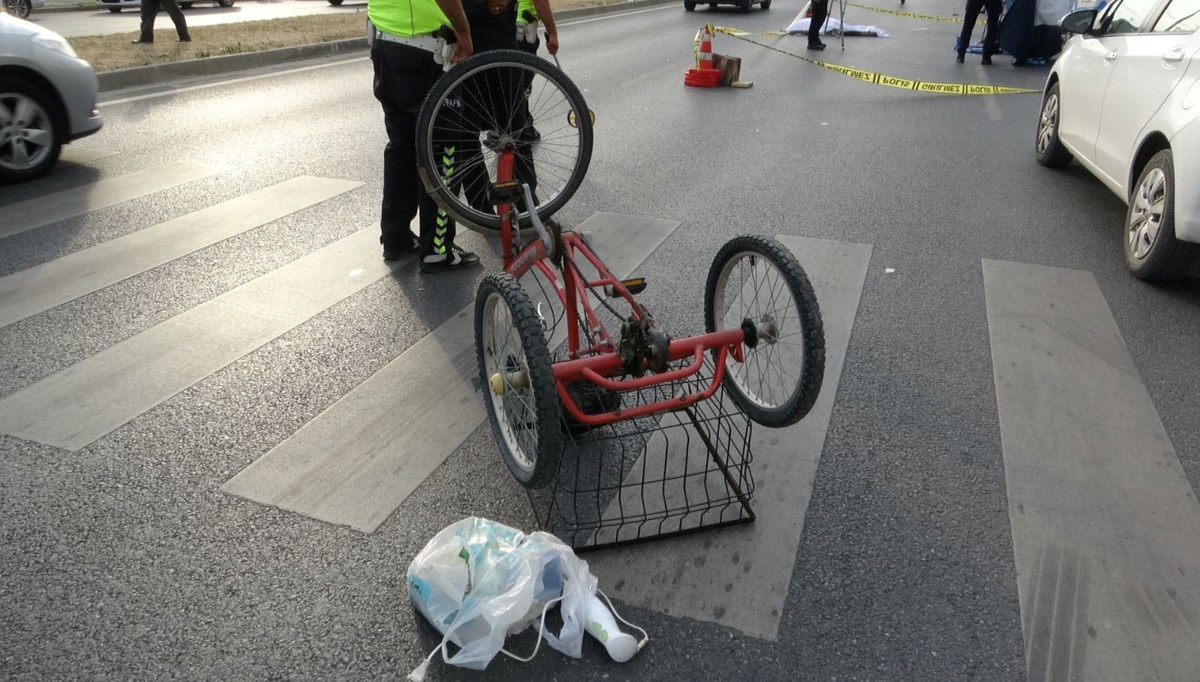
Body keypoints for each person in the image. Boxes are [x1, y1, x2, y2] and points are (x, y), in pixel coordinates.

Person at [369, 0, 478, 272]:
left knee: (401, 147)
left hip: (385, 44)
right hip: (426, 52)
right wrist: (463, 30)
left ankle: (396, 238)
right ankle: (438, 250)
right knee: (442, 146)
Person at [514, 0, 559, 141]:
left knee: (513, 78)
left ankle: (520, 123)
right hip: (523, 26)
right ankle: (521, 128)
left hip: (507, 22)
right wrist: (552, 33)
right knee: (523, 81)